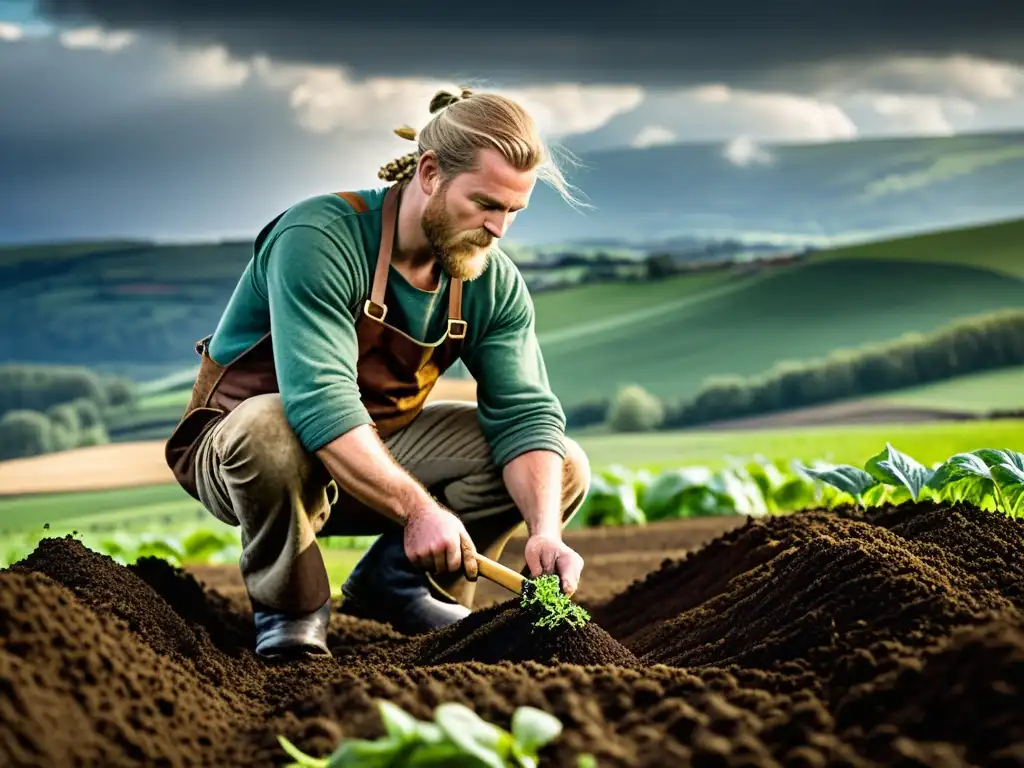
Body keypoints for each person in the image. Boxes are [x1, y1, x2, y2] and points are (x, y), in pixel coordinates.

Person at [164, 87, 592, 660]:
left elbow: (525, 412)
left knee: (560, 465)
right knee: (268, 427)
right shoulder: (319, 238)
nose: (498, 229)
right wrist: (419, 509)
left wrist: (546, 531)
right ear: (431, 172)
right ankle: (291, 610)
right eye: (486, 203)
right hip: (248, 456)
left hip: (376, 452)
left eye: (514, 211)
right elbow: (320, 401)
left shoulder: (491, 279)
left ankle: (400, 582)